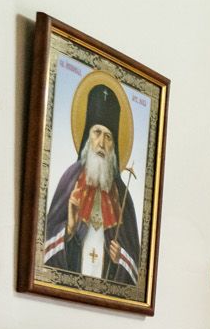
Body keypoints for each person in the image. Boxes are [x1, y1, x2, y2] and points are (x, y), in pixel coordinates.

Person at [41, 82, 142, 284]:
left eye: (108, 137)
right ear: (88, 136)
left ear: (114, 146)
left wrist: (120, 257)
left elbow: (137, 269)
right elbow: (42, 248)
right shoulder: (70, 180)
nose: (101, 143)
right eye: (97, 133)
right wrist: (69, 230)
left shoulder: (122, 195)